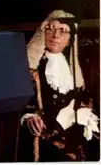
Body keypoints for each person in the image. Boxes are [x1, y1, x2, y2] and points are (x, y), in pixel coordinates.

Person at [18, 9, 99, 161]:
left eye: (63, 31)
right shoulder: (31, 68)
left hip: (72, 137)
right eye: (52, 29)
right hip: (42, 139)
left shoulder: (74, 69)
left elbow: (84, 100)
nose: (56, 36)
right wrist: (29, 117)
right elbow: (19, 103)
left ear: (70, 39)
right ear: (44, 31)